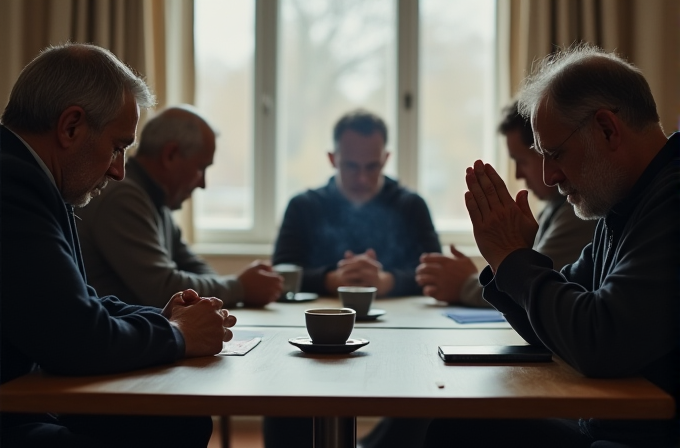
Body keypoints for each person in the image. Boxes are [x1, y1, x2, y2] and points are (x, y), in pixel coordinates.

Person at [425, 44, 679, 447]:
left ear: (607, 129)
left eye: (555, 153)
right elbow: (559, 327)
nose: (549, 175)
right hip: (608, 430)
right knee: (454, 423)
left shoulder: (672, 200)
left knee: (455, 431)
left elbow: (600, 339)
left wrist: (516, 261)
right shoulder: (624, 204)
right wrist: (509, 262)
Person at [0, 43, 235, 448]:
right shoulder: (12, 189)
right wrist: (177, 334)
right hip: (11, 419)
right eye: (118, 146)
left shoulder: (33, 180)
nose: (119, 170)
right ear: (71, 126)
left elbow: (82, 302)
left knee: (180, 421)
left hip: (25, 400)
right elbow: (76, 339)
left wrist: (164, 317)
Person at [76, 106, 282, 309]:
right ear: (170, 154)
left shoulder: (154, 199)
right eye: (201, 168)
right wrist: (239, 288)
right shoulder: (123, 197)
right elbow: (164, 290)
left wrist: (228, 290)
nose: (203, 184)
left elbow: (193, 266)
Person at [416, 101, 596, 307]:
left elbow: (534, 292)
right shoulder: (553, 210)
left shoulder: (580, 212)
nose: (519, 174)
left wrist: (465, 285)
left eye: (522, 161)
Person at [272, 109, 441, 298]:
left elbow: (437, 274)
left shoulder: (411, 206)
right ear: (332, 159)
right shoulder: (303, 207)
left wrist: (387, 282)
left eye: (372, 166)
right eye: (351, 166)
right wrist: (331, 280)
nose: (362, 179)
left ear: (386, 159)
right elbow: (280, 274)